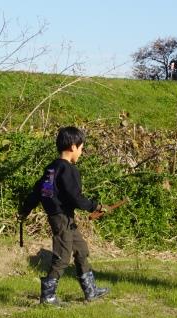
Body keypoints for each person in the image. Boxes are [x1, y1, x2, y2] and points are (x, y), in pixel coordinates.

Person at [20, 126, 110, 305]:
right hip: (61, 218)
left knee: (81, 250)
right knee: (62, 256)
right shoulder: (68, 170)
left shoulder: (51, 169)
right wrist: (95, 206)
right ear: (73, 146)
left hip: (63, 218)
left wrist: (25, 209)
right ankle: (48, 297)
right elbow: (75, 197)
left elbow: (38, 192)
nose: (81, 152)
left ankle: (91, 291)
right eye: (81, 148)